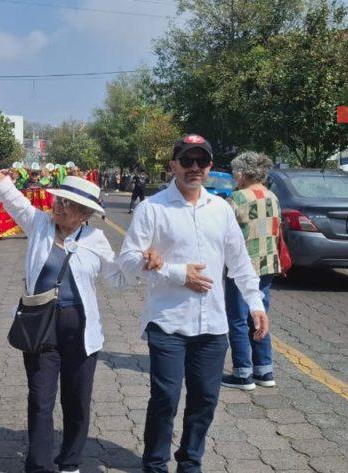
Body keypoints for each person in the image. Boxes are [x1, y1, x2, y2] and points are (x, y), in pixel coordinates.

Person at [0, 118, 126, 473]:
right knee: (40, 399)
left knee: (77, 400)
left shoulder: (96, 240)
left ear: (85, 214)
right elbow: (5, 190)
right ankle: (39, 466)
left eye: (69, 204)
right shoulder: (37, 223)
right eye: (59, 199)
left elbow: (118, 279)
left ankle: (70, 462)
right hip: (40, 326)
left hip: (81, 330)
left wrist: (143, 263)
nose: (60, 206)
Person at [117, 134, 269, 473]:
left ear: (210, 166)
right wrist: (175, 272)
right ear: (173, 165)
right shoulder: (152, 208)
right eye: (187, 160)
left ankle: (190, 462)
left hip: (212, 326)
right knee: (165, 398)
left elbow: (240, 263)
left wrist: (256, 304)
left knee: (205, 400)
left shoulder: (221, 210)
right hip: (167, 323)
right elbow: (127, 261)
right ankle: (155, 463)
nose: (194, 167)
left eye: (202, 161)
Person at [221, 152, 281, 391]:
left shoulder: (236, 198)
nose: (234, 177)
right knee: (259, 315)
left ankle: (242, 373)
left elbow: (223, 233)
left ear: (242, 173)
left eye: (235, 172)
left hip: (242, 267)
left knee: (237, 319)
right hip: (267, 264)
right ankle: (264, 370)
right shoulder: (272, 197)